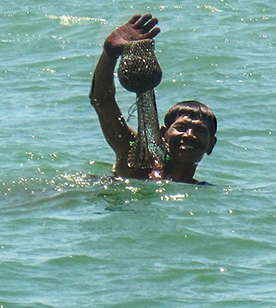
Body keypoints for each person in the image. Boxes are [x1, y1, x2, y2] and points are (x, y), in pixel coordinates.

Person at [90, 14, 217, 183]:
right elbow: (102, 100)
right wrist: (110, 53)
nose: (188, 135)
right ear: (163, 134)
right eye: (181, 128)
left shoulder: (204, 191)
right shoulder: (137, 159)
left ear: (211, 144)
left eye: (200, 131)